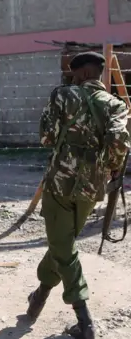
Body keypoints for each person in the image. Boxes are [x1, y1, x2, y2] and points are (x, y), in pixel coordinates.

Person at [26, 51, 130, 339]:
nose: (72, 78)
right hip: (92, 185)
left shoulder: (62, 95)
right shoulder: (115, 104)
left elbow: (46, 137)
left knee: (62, 244)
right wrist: (108, 167)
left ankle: (85, 320)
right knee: (64, 242)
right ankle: (39, 297)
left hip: (60, 180)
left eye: (74, 73)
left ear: (82, 73)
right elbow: (121, 142)